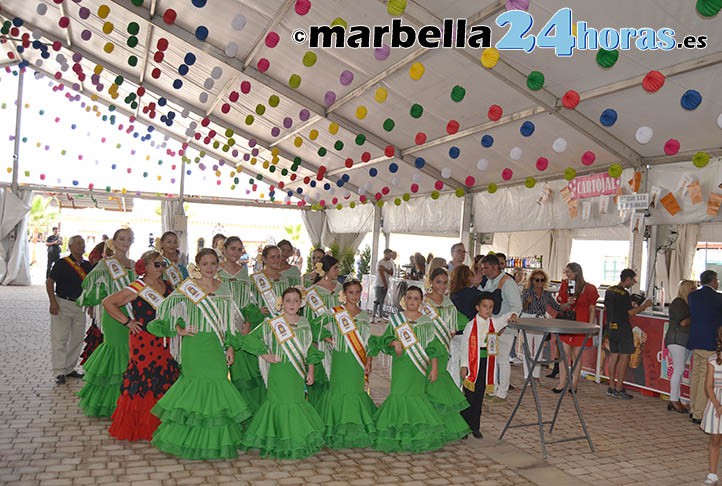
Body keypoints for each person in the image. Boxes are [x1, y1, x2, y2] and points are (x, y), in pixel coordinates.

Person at [147, 248, 251, 459]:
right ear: (197, 265)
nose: (210, 268)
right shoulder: (187, 288)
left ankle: (214, 441)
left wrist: (230, 346)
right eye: (205, 264)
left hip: (216, 346)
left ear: (218, 265)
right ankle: (187, 440)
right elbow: (164, 309)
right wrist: (178, 329)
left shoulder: (223, 289)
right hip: (195, 345)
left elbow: (229, 323)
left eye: (213, 263)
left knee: (217, 388)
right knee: (195, 389)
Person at [240, 287, 325, 459]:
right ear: (282, 303)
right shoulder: (273, 322)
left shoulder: (305, 323)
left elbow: (309, 349)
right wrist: (266, 355)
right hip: (279, 372)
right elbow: (250, 339)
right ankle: (277, 439)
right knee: (278, 402)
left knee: (296, 402)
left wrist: (311, 370)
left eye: (296, 300)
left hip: (296, 373)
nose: (292, 304)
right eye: (288, 300)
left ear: (301, 303)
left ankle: (296, 438)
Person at [103, 251, 179, 441]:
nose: (161, 268)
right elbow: (108, 302)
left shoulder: (167, 285)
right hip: (144, 340)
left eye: (163, 265)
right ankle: (141, 424)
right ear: (144, 266)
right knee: (144, 378)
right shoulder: (137, 287)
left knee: (164, 377)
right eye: (156, 265)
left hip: (165, 341)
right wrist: (127, 322)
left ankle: (162, 423)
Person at [369, 286, 448, 453]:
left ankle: (416, 433)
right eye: (409, 298)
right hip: (401, 365)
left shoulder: (426, 321)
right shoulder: (397, 319)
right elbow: (386, 338)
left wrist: (434, 367)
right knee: (398, 394)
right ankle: (395, 433)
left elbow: (432, 346)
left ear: (421, 301)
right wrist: (394, 343)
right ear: (404, 299)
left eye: (416, 298)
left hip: (419, 367)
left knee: (416, 396)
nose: (412, 301)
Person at [77, 228, 136, 417]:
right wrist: (101, 297)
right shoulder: (106, 264)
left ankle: (126, 400)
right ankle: (109, 402)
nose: (125, 242)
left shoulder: (134, 265)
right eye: (122, 239)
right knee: (115, 353)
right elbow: (88, 284)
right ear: (114, 241)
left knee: (129, 354)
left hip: (133, 315)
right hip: (114, 315)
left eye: (129, 239)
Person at [315, 279, 377, 449]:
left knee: (355, 391)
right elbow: (316, 326)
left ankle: (356, 426)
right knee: (339, 390)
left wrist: (369, 361)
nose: (354, 296)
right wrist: (328, 338)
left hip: (357, 360)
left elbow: (368, 341)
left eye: (358, 292)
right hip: (341, 358)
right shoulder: (336, 312)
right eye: (351, 292)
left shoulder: (364, 315)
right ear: (344, 293)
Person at [423, 268, 471, 441]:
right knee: (428, 386)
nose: (442, 286)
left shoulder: (449, 303)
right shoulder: (423, 302)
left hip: (444, 349)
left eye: (445, 282)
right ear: (431, 281)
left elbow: (458, 322)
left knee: (442, 386)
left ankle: (446, 425)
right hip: (426, 349)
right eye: (438, 282)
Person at [218, 237, 265, 412]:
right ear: (224, 250)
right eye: (232, 249)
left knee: (244, 371)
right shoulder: (216, 271)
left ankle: (245, 410)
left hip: (241, 326)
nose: (236, 253)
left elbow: (247, 301)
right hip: (220, 324)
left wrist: (247, 322)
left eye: (239, 249)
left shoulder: (244, 272)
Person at [46, 235, 92, 385]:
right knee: (60, 339)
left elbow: (91, 288)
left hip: (80, 306)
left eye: (83, 243)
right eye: (78, 243)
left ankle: (69, 368)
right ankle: (59, 371)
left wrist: (91, 305)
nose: (81, 246)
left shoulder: (87, 265)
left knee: (77, 339)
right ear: (70, 247)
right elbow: (50, 282)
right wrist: (53, 302)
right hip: (62, 303)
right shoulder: (62, 264)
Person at [604, 268, 652, 400]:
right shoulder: (624, 294)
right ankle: (619, 387)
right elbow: (630, 312)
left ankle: (611, 386)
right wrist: (645, 305)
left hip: (611, 327)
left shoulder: (609, 290)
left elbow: (608, 307)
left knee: (614, 356)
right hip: (623, 328)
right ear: (628, 279)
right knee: (624, 357)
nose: (633, 284)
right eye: (633, 281)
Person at [480, 254, 521, 403]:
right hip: (492, 327)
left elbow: (517, 306)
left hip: (505, 328)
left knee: (502, 359)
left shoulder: (508, 282)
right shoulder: (490, 282)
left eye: (486, 268)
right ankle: (493, 389)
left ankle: (502, 392)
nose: (483, 271)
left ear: (495, 267)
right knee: (493, 359)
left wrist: (505, 324)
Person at [303, 255, 343, 408]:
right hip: (319, 341)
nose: (338, 271)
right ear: (325, 270)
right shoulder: (312, 292)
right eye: (335, 268)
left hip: (339, 339)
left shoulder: (340, 289)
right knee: (320, 378)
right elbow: (308, 320)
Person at [555, 263, 599, 393]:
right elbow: (561, 305)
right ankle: (561, 383)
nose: (566, 274)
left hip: (581, 324)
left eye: (568, 272)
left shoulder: (590, 288)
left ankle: (574, 384)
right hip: (567, 323)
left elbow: (592, 308)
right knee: (564, 354)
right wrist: (568, 302)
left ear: (576, 272)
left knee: (577, 355)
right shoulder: (565, 285)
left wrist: (589, 327)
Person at [460, 292, 499, 438]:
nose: (487, 310)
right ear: (477, 307)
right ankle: (463, 426)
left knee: (479, 397)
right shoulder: (471, 325)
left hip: (485, 363)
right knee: (469, 397)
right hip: (472, 364)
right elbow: (465, 346)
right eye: (484, 306)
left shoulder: (492, 324)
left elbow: (505, 319)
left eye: (490, 307)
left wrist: (512, 315)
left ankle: (475, 426)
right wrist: (464, 365)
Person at [688, 270, 722, 424]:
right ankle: (698, 413)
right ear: (713, 281)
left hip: (695, 339)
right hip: (710, 341)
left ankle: (693, 407)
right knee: (704, 377)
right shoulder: (718, 298)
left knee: (696, 374)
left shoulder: (693, 296)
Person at [520, 270, 561, 384]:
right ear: (532, 280)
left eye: (542, 280)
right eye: (537, 280)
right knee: (527, 349)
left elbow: (557, 307)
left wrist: (567, 303)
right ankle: (528, 375)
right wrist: (527, 302)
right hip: (528, 319)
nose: (539, 282)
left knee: (539, 349)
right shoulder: (527, 292)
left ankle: (536, 375)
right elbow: (520, 308)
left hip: (540, 321)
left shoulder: (547, 294)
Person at [665, 279, 696, 414]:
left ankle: (676, 398)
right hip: (677, 339)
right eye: (693, 288)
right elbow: (683, 322)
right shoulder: (679, 303)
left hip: (683, 340)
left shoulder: (685, 303)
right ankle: (674, 399)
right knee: (679, 368)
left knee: (680, 369)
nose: (695, 291)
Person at [80, 240, 113, 365]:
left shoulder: (124, 266)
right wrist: (91, 306)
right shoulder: (100, 267)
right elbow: (91, 288)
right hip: (101, 308)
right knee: (99, 333)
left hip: (115, 307)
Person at [702, 327, 722, 486]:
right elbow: (708, 385)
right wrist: (716, 404)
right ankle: (713, 473)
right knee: (715, 440)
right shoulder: (713, 361)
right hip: (717, 404)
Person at [372, 249, 395, 321]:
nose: (390, 256)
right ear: (385, 254)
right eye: (389, 255)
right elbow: (381, 273)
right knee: (377, 300)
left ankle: (380, 316)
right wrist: (384, 283)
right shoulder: (380, 262)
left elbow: (391, 272)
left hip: (386, 283)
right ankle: (373, 316)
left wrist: (385, 269)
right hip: (379, 284)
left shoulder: (390, 263)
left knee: (382, 301)